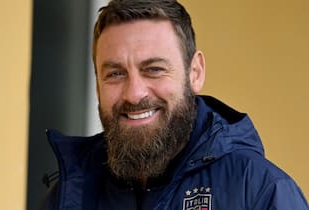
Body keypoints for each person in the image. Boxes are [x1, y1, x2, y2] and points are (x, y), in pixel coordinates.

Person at [41, 0, 309, 209]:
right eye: (115, 74)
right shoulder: (70, 196)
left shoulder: (260, 192)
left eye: (154, 69)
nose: (134, 94)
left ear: (195, 73)